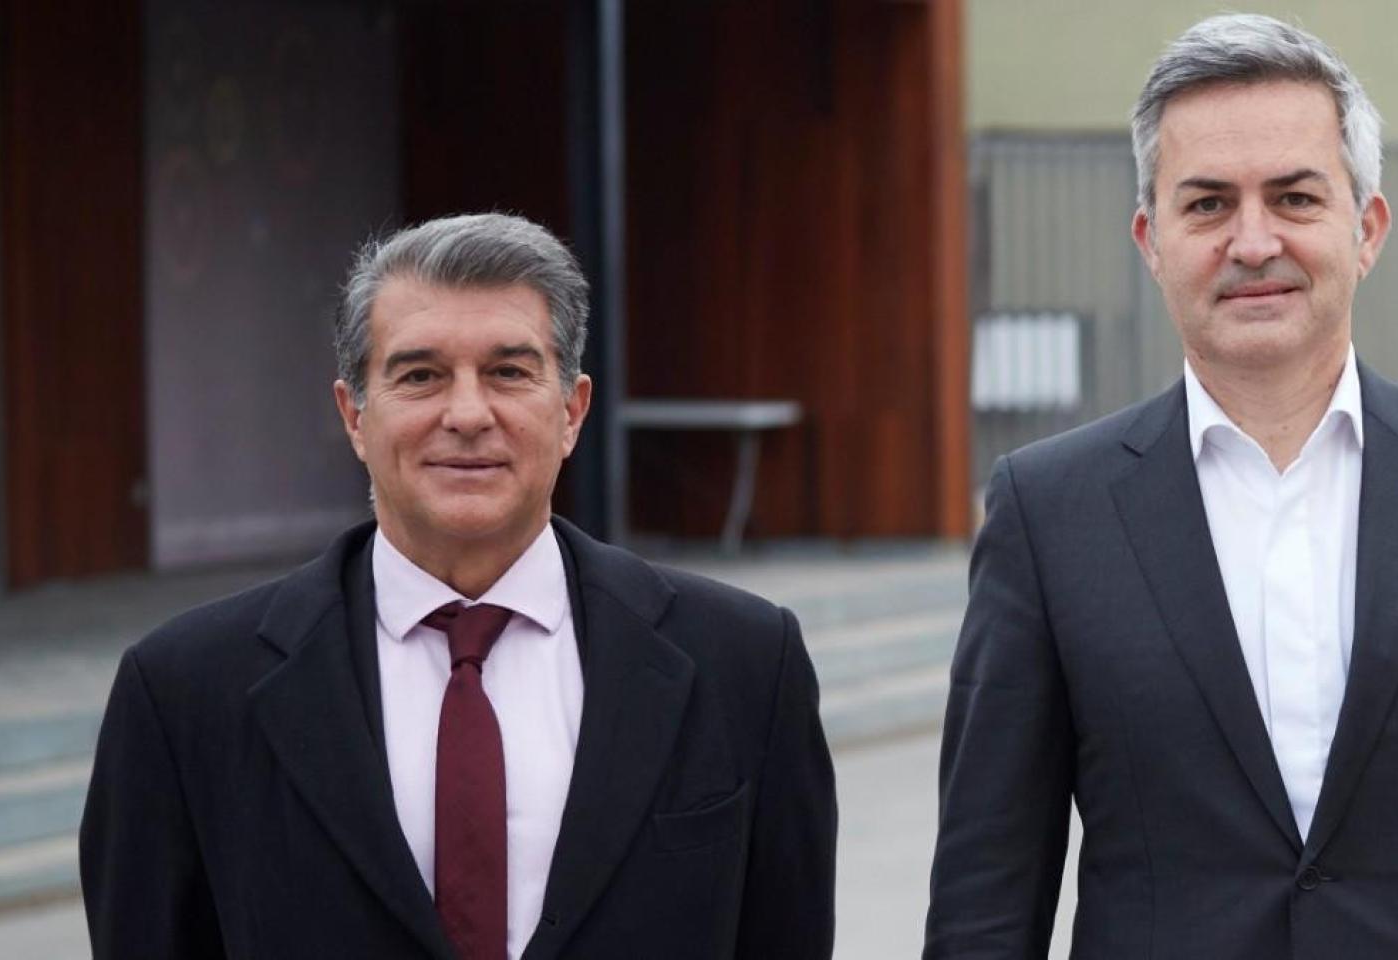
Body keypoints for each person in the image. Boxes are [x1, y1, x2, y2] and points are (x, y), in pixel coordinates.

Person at [924, 14, 1398, 958]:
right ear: (1151, 241)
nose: (1253, 241)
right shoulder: (1048, 512)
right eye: (1207, 205)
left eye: (1294, 197)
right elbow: (986, 901)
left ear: (1367, 227)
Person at [80, 213, 836, 960]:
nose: (468, 414)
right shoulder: (184, 691)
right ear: (354, 416)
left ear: (571, 412)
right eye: (420, 376)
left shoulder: (744, 663)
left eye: (509, 372)